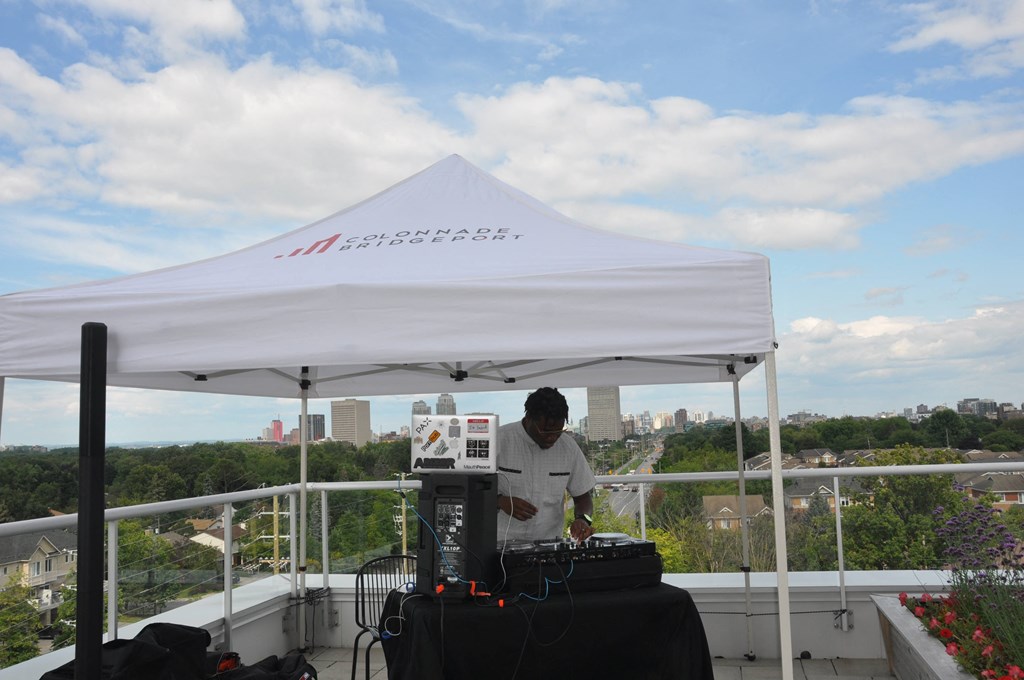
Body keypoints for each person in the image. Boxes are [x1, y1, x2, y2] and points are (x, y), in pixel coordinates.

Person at [496, 387, 597, 542]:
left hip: (548, 544)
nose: (552, 438)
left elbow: (583, 497)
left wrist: (583, 519)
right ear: (528, 417)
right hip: (499, 544)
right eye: (545, 432)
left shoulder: (568, 447)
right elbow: (471, 490)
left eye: (558, 431)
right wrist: (500, 502)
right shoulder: (498, 440)